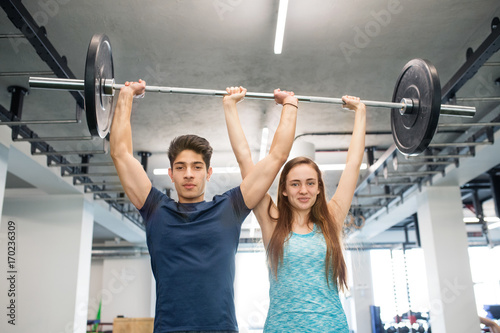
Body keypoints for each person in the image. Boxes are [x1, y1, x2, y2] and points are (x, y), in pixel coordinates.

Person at [109, 80, 298, 333]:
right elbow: (120, 153)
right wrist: (126, 96)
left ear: (208, 173)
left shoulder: (229, 209)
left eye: (197, 167)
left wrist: (290, 105)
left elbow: (277, 156)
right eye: (181, 167)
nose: (189, 174)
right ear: (171, 174)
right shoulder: (155, 209)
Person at [224, 93, 366, 332]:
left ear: (319, 188)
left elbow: (353, 164)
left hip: (332, 327)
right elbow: (244, 160)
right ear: (285, 190)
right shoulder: (272, 221)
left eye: (311, 183)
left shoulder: (331, 219)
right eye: (295, 184)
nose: (303, 190)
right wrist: (230, 106)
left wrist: (360, 112)